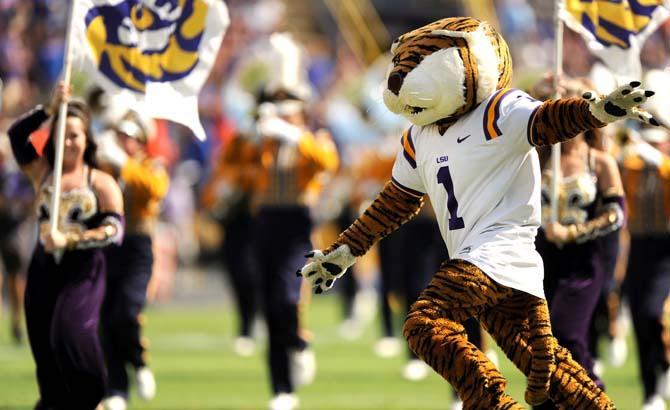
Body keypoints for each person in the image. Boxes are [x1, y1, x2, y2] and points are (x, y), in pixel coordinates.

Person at [300, 17, 656, 409]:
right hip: (481, 258)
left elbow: (548, 121)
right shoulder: (418, 135)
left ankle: (490, 402)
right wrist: (346, 251)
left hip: (499, 250)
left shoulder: (498, 110)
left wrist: (599, 112)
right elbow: (396, 201)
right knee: (547, 367)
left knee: (424, 324)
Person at [7, 82, 124, 409]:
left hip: (84, 271)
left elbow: (115, 231)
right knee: (45, 350)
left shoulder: (100, 182)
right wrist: (48, 109)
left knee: (70, 331)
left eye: (75, 134)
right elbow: (18, 136)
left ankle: (94, 399)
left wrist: (71, 239)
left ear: (87, 138)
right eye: (63, 134)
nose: (69, 141)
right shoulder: (42, 172)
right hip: (44, 267)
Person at [532, 78, 625, 398]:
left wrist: (572, 232)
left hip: (585, 263)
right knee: (541, 344)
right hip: (543, 260)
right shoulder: (540, 157)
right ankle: (553, 401)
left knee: (567, 333)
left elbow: (616, 216)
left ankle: (592, 396)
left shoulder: (599, 162)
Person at [96, 110, 169, 410]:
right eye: (120, 135)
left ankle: (138, 361)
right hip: (107, 246)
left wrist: (122, 163)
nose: (123, 141)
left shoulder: (151, 166)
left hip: (137, 247)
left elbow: (153, 189)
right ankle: (116, 388)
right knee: (105, 318)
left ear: (140, 142)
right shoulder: (104, 168)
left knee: (126, 310)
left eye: (129, 137)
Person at [619, 126, 670, 410]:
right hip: (639, 247)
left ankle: (664, 363)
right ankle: (650, 391)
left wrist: (659, 161)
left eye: (658, 143)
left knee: (656, 314)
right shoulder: (633, 167)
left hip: (666, 248)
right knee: (640, 317)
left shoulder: (664, 166)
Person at [201, 130, 260, 357]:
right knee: (238, 275)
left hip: (257, 221)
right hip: (233, 224)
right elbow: (213, 192)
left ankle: (252, 323)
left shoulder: (266, 147)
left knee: (253, 274)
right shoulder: (233, 151)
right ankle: (246, 324)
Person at [0, 137, 34, 344]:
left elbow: (29, 199)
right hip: (6, 226)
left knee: (16, 278)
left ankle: (17, 320)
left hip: (14, 229)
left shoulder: (16, 174)